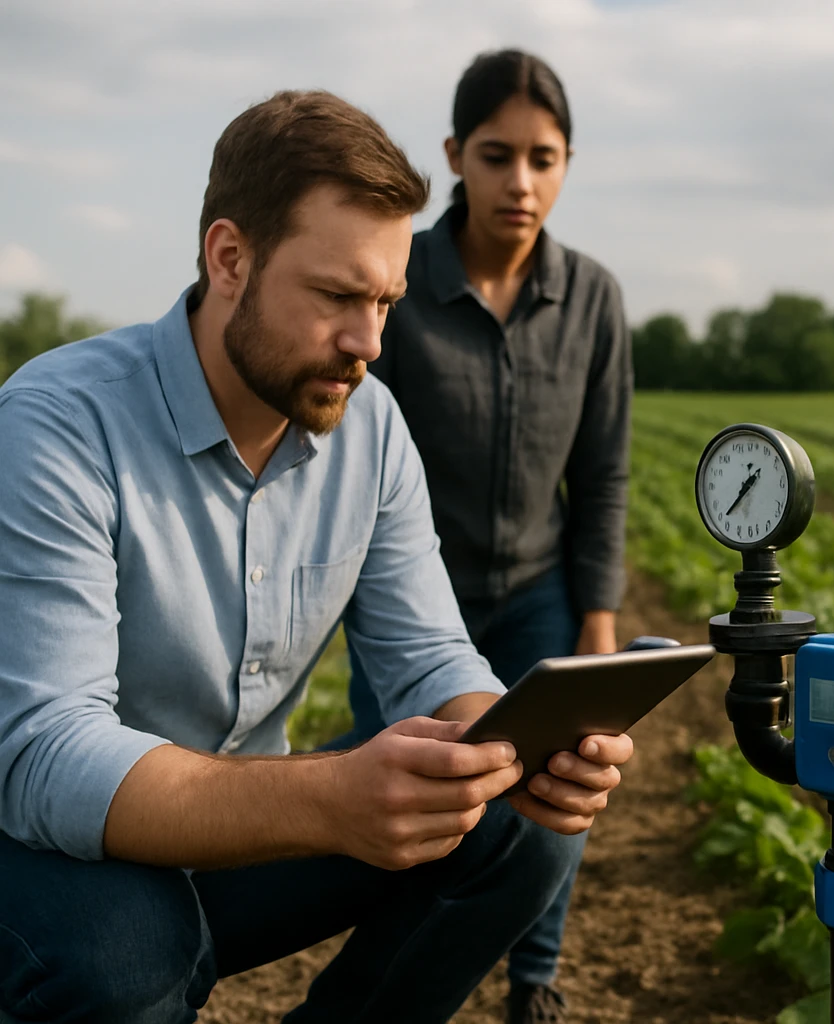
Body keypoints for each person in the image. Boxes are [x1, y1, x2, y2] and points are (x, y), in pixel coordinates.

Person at [0, 90, 632, 1024]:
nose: (368, 343)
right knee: (127, 952)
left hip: (233, 840)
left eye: (386, 302)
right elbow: (47, 757)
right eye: (338, 296)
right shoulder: (60, 425)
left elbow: (429, 656)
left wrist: (519, 749)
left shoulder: (369, 428)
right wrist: (327, 798)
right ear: (229, 259)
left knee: (517, 826)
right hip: (45, 851)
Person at [334, 50, 632, 1024]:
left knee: (558, 779)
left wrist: (597, 615)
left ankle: (533, 973)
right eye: (497, 156)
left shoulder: (592, 297)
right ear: (456, 155)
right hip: (414, 596)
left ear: (567, 163)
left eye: (543, 159)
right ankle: (398, 962)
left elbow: (603, 472)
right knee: (418, 782)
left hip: (540, 582)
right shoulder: (400, 282)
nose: (520, 182)